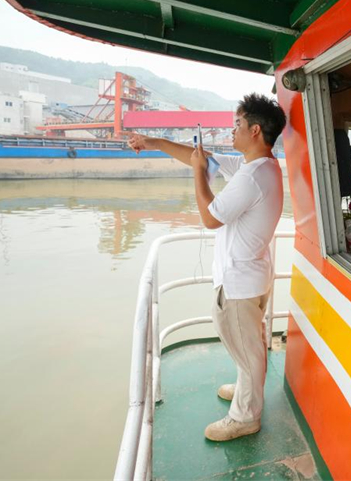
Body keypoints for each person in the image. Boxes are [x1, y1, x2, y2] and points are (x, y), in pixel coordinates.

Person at [128, 93, 286, 442]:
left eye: (238, 125)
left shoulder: (251, 178)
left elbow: (210, 217)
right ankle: (246, 387)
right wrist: (153, 142)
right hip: (253, 276)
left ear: (255, 130)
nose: (233, 131)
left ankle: (246, 417)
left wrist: (199, 175)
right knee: (250, 346)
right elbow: (203, 159)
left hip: (239, 284)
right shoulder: (260, 166)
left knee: (248, 352)